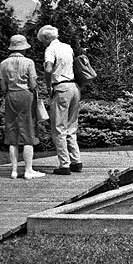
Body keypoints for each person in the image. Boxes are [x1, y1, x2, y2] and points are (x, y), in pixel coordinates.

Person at [37, 25, 83, 175]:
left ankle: (64, 165)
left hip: (61, 87)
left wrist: (48, 86)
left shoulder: (50, 50)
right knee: (71, 127)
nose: (42, 44)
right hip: (74, 87)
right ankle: (76, 161)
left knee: (58, 128)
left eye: (42, 41)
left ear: (46, 38)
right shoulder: (68, 47)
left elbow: (48, 68)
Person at [0, 35, 46, 180]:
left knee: (12, 132)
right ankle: (28, 169)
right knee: (28, 131)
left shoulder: (4, 64)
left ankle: (13, 170)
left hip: (11, 96)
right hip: (26, 96)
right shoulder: (29, 62)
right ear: (24, 48)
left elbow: (2, 86)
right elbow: (32, 84)